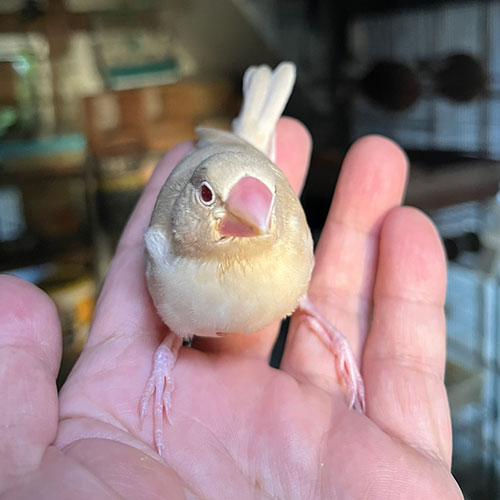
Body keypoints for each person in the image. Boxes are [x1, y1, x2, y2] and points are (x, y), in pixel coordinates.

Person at [0, 118, 463, 499]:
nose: (251, 221)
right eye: (207, 198)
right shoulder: (165, 244)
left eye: (263, 209)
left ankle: (324, 326)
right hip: (209, 173)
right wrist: (163, 354)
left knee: (301, 291)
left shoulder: (288, 245)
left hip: (247, 176)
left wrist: (336, 339)